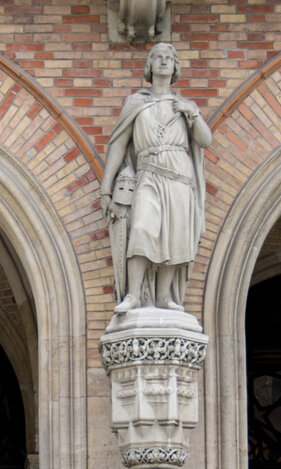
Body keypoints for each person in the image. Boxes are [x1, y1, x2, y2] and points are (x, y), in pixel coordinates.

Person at [102, 41, 210, 314]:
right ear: (149, 65)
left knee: (175, 235)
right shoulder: (136, 102)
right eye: (157, 57)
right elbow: (118, 144)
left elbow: (205, 141)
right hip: (148, 174)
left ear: (175, 67)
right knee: (142, 229)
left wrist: (193, 115)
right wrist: (106, 189)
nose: (163, 62)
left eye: (168, 58)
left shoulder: (185, 106)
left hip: (180, 178)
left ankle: (164, 296)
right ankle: (134, 294)